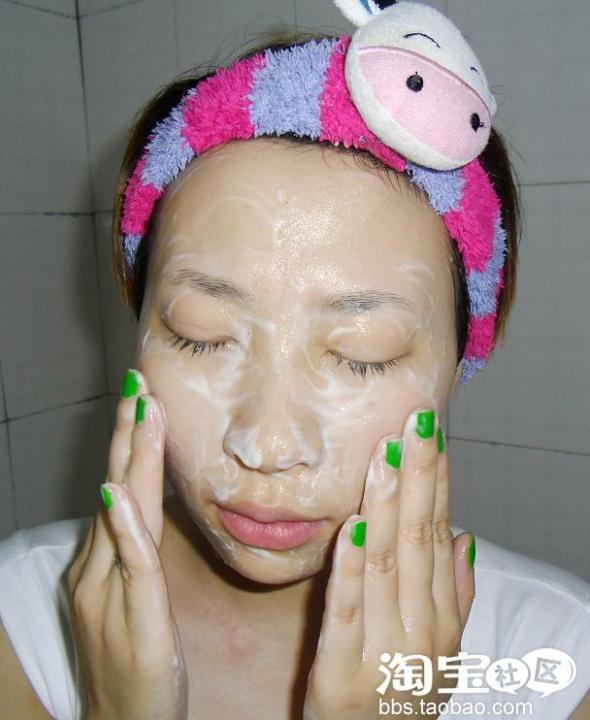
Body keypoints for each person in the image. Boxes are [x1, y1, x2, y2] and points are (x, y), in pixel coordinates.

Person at [1, 3, 590, 719]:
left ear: (458, 359)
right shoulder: (20, 616)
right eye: (200, 335)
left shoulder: (560, 662)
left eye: (361, 355)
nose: (267, 446)